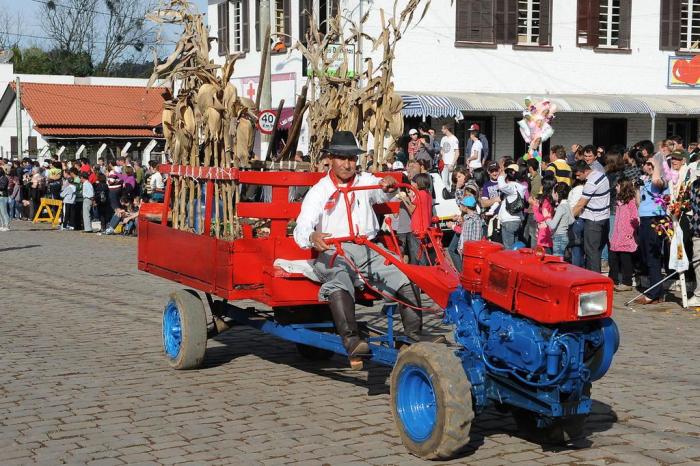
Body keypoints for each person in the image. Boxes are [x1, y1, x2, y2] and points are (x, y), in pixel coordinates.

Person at [293, 131, 427, 359]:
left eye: (352, 159)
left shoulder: (365, 181)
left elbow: (383, 191)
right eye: (342, 158)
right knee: (339, 278)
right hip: (334, 249)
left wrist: (389, 185)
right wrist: (312, 236)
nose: (347, 164)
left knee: (404, 275)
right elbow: (301, 228)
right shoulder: (319, 190)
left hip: (367, 247)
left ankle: (414, 338)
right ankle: (351, 340)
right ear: (331, 159)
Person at [634, 157, 668, 304]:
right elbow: (638, 202)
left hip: (655, 219)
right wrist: (637, 188)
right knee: (646, 256)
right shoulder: (646, 179)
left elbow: (657, 183)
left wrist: (657, 165)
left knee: (652, 256)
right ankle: (658, 291)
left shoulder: (662, 179)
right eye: (646, 164)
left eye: (650, 164)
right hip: (645, 218)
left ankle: (653, 293)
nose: (647, 166)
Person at [572, 160, 610, 273]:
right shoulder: (601, 174)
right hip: (603, 217)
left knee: (591, 251)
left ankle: (594, 280)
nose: (578, 178)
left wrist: (569, 218)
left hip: (593, 220)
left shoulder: (591, 183)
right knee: (595, 251)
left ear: (585, 171)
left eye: (579, 175)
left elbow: (580, 204)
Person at [609, 178, 639, 291]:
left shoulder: (631, 201)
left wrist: (631, 232)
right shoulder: (618, 202)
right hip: (617, 235)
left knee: (625, 259)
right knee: (613, 257)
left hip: (626, 234)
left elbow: (635, 217)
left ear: (623, 187)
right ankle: (612, 280)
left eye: (617, 186)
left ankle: (627, 282)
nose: (616, 188)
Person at [398, 173, 433, 266]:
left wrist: (404, 199)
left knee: (417, 252)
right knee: (421, 250)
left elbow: (411, 210)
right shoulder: (427, 193)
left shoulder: (419, 194)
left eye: (413, 182)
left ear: (418, 183)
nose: (411, 184)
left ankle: (422, 272)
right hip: (426, 226)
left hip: (417, 227)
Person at [497, 164, 527, 249]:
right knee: (515, 248)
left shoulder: (512, 186)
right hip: (517, 220)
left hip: (509, 220)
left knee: (509, 249)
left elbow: (502, 186)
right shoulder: (520, 187)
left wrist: (501, 176)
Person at [546, 183, 573, 257]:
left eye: (553, 192)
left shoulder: (561, 207)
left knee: (557, 262)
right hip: (565, 236)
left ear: (556, 194)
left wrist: (547, 218)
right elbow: (571, 220)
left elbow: (552, 225)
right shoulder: (567, 204)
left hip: (559, 237)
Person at [440, 124, 459, 190]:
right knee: (443, 180)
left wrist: (452, 164)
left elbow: (457, 152)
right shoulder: (443, 139)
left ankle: (451, 194)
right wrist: (442, 160)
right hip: (444, 163)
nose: (441, 130)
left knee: (451, 181)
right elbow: (442, 150)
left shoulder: (454, 139)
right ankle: (446, 195)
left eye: (442, 129)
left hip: (451, 163)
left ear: (446, 129)